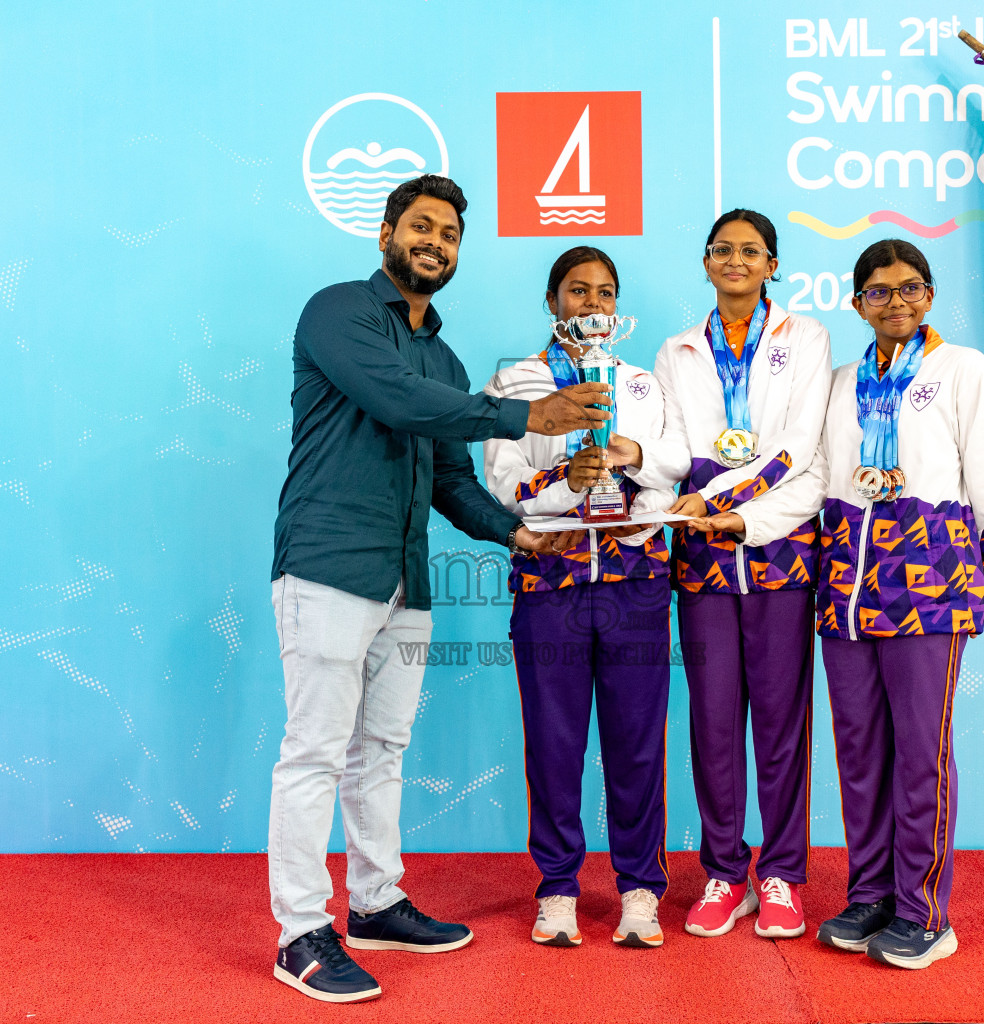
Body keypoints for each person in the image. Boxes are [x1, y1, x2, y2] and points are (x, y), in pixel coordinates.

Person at [268, 174, 606, 1004]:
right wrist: (523, 417)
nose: (436, 243)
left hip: (406, 582)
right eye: (421, 227)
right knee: (314, 751)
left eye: (450, 235)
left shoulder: (445, 358)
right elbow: (395, 398)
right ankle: (300, 933)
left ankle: (376, 902)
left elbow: (452, 480)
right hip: (330, 565)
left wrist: (518, 533)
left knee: (381, 751)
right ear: (386, 233)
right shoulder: (339, 312)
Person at [692, 238, 984, 969]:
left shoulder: (964, 372)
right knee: (861, 757)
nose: (895, 301)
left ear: (929, 295)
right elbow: (812, 473)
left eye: (909, 288)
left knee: (921, 759)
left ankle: (925, 911)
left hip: (931, 592)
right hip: (845, 594)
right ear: (857, 303)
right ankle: (871, 894)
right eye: (878, 291)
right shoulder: (841, 381)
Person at [483, 246, 688, 949]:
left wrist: (630, 475)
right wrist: (572, 481)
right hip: (552, 584)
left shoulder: (639, 382)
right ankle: (558, 889)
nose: (591, 304)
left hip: (634, 579)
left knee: (637, 742)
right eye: (577, 291)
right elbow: (504, 489)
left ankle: (638, 890)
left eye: (604, 292)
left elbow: (675, 463)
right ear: (552, 301)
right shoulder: (517, 381)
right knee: (554, 742)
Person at [651, 209, 833, 940]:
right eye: (722, 249)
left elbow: (802, 449)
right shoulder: (676, 351)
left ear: (771, 265)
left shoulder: (807, 338)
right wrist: (636, 463)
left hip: (780, 550)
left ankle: (783, 873)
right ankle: (726, 872)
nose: (735, 260)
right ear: (705, 262)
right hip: (700, 558)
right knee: (714, 723)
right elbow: (674, 449)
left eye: (750, 251)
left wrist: (730, 503)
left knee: (784, 725)